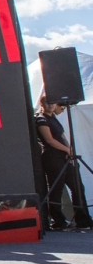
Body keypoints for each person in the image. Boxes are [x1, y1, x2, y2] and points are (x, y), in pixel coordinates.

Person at [35, 96, 92, 231]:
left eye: (53, 103)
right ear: (42, 104)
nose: (50, 106)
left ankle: (83, 219)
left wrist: (69, 150)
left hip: (65, 156)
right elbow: (49, 140)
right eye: (47, 103)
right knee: (57, 189)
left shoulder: (54, 118)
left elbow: (61, 136)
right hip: (53, 157)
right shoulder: (41, 118)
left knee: (77, 187)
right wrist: (67, 149)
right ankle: (58, 220)